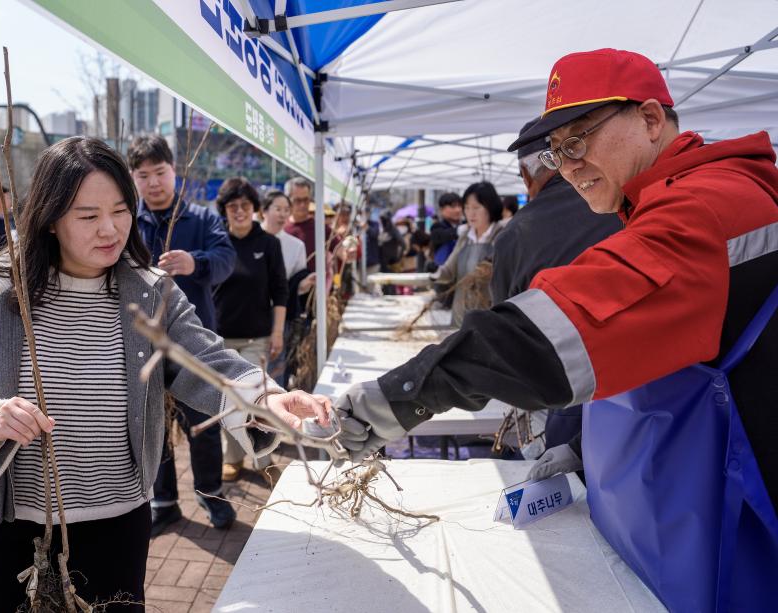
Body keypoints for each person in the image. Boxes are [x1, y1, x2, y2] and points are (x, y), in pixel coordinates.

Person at [332, 49, 778, 610]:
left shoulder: (704, 207)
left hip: (743, 518)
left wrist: (401, 396)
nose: (567, 166)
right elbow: (654, 344)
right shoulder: (681, 196)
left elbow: (557, 331)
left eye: (578, 141)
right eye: (555, 152)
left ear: (648, 119)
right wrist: (583, 444)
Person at [0, 136, 331, 612]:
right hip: (8, 527)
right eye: (88, 216)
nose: (110, 229)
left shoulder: (148, 293)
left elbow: (204, 357)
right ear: (48, 218)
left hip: (116, 523)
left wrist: (263, 398)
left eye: (121, 210)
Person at [490, 117, 623, 450]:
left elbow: (502, 336)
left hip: (560, 404)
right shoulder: (624, 207)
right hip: (635, 397)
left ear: (525, 175)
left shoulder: (515, 236)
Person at [128, 135, 237, 534]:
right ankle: (165, 502)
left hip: (194, 343)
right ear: (134, 178)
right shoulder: (128, 222)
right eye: (144, 175)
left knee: (202, 423)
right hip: (144, 345)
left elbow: (226, 260)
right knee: (153, 425)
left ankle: (212, 497)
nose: (154, 182)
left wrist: (196, 262)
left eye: (160, 173)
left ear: (174, 172)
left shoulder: (204, 219)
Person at [214, 178, 289, 481]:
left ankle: (264, 460)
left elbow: (280, 291)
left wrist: (278, 332)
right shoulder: (217, 242)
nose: (240, 211)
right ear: (225, 210)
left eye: (246, 205)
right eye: (233, 206)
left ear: (255, 209)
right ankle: (232, 458)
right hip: (221, 338)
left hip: (257, 336)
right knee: (229, 402)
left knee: (259, 400)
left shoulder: (268, 243)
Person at [259, 190, 312, 389]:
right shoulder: (249, 239)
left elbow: (296, 282)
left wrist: (304, 284)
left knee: (275, 367)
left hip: (279, 314)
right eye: (277, 209)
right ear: (263, 211)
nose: (282, 214)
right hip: (248, 313)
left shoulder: (296, 245)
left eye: (286, 210)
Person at [434, 182, 504, 325]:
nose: (470, 213)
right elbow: (448, 271)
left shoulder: (502, 236)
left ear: (490, 208)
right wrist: (433, 272)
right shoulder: (465, 236)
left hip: (490, 316)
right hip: (461, 315)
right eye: (467, 207)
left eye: (476, 207)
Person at [430, 192, 463, 267]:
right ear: (442, 210)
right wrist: (460, 230)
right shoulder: (437, 227)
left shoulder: (466, 225)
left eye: (459, 206)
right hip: (444, 271)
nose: (458, 210)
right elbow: (441, 236)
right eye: (453, 206)